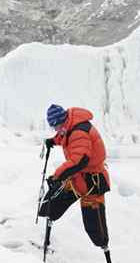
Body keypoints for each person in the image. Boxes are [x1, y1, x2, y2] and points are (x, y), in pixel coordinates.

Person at [38, 104, 111, 254]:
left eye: (56, 126)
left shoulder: (79, 131)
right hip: (78, 178)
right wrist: (53, 141)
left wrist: (57, 176)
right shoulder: (70, 125)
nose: (56, 130)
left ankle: (105, 250)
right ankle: (46, 240)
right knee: (52, 203)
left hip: (92, 182)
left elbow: (79, 160)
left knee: (95, 228)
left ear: (61, 121)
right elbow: (66, 136)